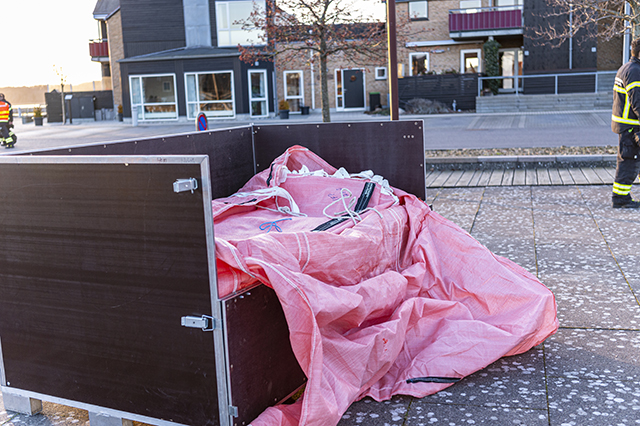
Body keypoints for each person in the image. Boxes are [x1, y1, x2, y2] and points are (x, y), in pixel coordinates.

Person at [611, 39, 640, 208]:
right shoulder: (635, 71)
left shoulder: (628, 68)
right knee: (629, 161)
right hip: (630, 126)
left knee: (634, 159)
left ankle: (621, 198)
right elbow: (638, 101)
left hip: (628, 125)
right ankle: (620, 199)